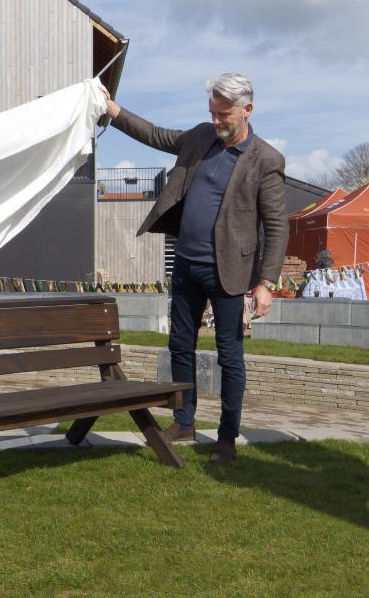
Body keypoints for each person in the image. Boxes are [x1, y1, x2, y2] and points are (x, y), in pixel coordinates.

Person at [101, 73, 287, 463]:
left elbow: (276, 225)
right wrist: (113, 110)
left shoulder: (266, 160)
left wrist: (265, 282)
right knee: (179, 346)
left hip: (229, 273)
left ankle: (226, 437)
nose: (216, 121)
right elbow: (155, 135)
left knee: (229, 356)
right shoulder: (201, 136)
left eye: (223, 115)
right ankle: (184, 421)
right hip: (186, 265)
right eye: (212, 112)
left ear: (247, 110)